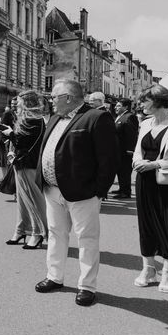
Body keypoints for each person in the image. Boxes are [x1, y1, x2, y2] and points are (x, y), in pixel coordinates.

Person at [34, 79, 119, 307]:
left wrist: (99, 191)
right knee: (56, 234)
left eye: (54, 97)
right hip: (52, 190)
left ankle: (87, 287)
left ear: (69, 98)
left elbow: (108, 159)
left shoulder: (96, 118)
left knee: (87, 239)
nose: (50, 101)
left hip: (83, 193)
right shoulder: (54, 118)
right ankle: (55, 276)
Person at [131, 85, 168, 294]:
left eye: (144, 100)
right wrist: (138, 162)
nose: (140, 104)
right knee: (146, 224)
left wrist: (156, 164)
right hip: (144, 180)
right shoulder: (146, 123)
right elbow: (137, 150)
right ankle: (148, 269)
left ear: (158, 101)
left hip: (167, 182)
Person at [2, 91, 48, 249]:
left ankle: (38, 233)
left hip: (27, 163)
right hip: (23, 163)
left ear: (27, 103)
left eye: (20, 101)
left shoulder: (30, 119)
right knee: (23, 200)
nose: (17, 104)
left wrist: (10, 134)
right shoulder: (36, 118)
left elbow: (21, 142)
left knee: (33, 199)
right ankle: (21, 230)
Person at [110, 98, 139, 199]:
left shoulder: (130, 117)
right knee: (120, 170)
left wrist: (130, 149)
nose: (115, 108)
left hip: (125, 151)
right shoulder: (119, 117)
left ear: (126, 107)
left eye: (118, 106)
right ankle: (121, 188)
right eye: (116, 106)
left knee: (125, 171)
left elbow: (131, 134)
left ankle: (126, 192)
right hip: (118, 150)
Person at [0, 98, 18, 178]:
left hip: (14, 140)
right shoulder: (7, 113)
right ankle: (5, 178)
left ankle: (9, 178)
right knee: (4, 160)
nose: (13, 105)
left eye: (15, 103)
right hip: (4, 141)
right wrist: (6, 141)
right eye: (12, 103)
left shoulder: (20, 113)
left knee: (11, 160)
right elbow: (2, 127)